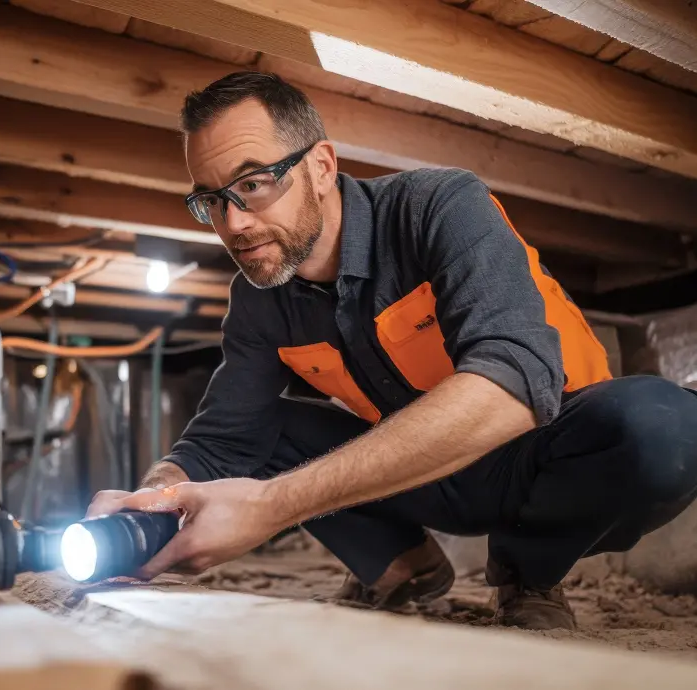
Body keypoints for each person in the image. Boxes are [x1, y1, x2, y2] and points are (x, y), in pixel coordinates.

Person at [87, 71, 697, 631]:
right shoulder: (259, 298)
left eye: (253, 184)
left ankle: (526, 572)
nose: (234, 223)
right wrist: (152, 501)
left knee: (663, 427)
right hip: (425, 477)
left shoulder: (439, 208)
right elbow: (224, 435)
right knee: (265, 430)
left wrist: (271, 505)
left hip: (545, 453)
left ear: (322, 166)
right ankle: (401, 564)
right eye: (211, 200)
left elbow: (514, 381)